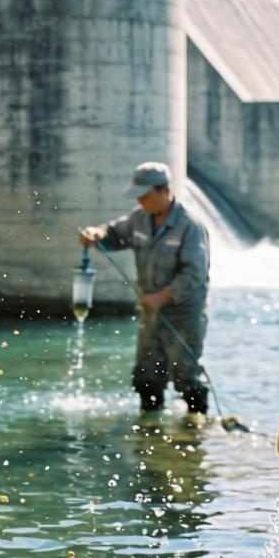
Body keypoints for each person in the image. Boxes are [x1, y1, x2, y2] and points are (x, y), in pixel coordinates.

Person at [80, 162, 211, 417]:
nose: (141, 201)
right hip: (151, 311)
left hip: (183, 314)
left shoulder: (190, 225)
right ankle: (149, 428)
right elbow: (114, 234)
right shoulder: (139, 218)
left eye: (145, 196)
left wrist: (162, 297)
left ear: (164, 191)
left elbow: (194, 273)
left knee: (187, 375)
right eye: (138, 197)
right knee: (147, 375)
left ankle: (195, 430)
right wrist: (96, 234)